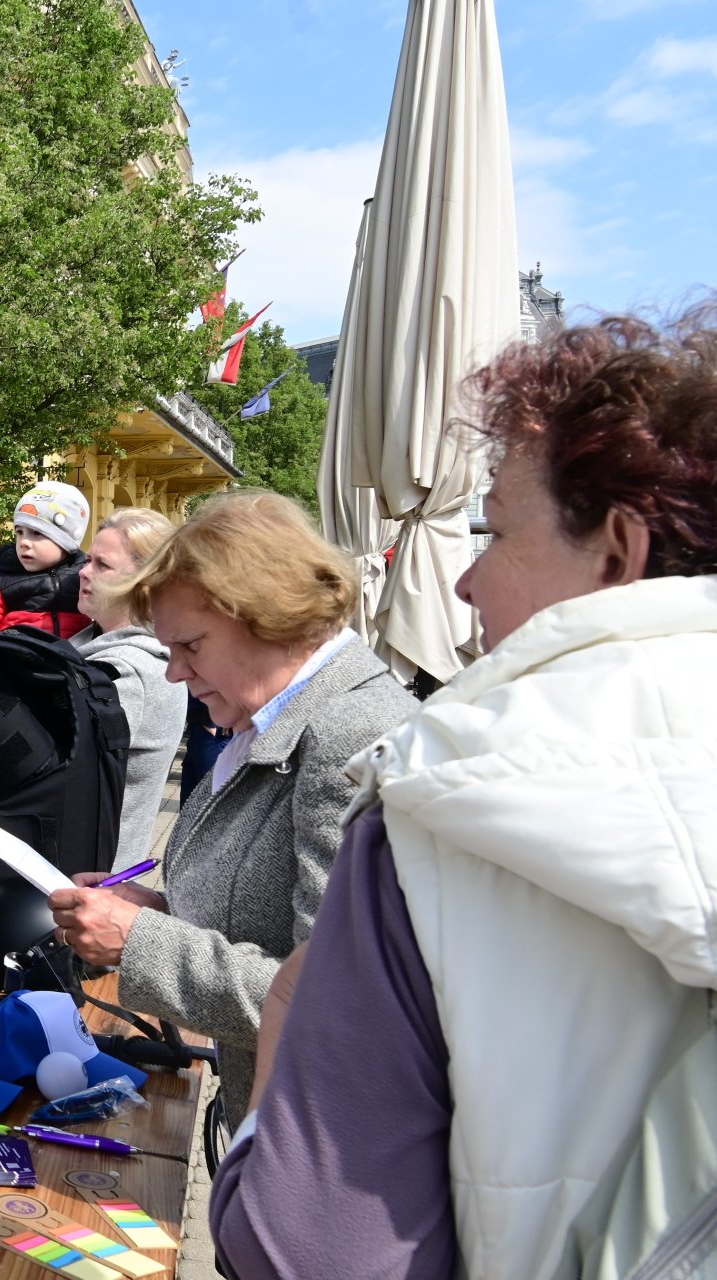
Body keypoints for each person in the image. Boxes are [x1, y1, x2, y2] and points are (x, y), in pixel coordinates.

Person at [210, 307, 717, 1279]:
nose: (469, 582)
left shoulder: (444, 801)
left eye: (495, 529)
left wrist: (282, 1029)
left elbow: (307, 1250)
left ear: (616, 549)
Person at [46, 490, 414, 1113]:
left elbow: (333, 1002)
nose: (174, 673)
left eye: (189, 645)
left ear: (264, 616)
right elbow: (274, 920)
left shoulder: (355, 735)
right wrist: (157, 910)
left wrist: (140, 942)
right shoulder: (278, 721)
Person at [69, 507, 188, 872]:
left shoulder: (129, 673)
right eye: (87, 560)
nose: (83, 572)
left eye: (102, 566)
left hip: (89, 890)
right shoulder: (96, 650)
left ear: (145, 582)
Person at [0, 480, 92, 638]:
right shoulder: (0, 578)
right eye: (20, 532)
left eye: (37, 533)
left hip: (72, 659)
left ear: (66, 540)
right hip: (14, 659)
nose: (24, 542)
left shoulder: (84, 575)